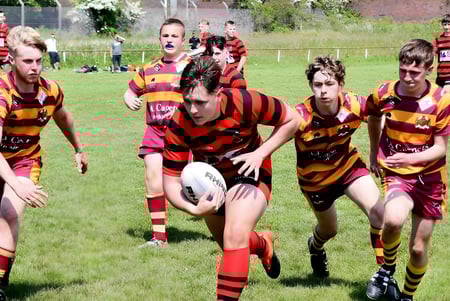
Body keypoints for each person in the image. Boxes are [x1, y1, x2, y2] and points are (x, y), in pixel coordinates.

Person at [163, 56, 300, 300]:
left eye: (200, 102)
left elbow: (292, 119)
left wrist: (260, 153)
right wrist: (192, 210)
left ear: (218, 93)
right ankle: (261, 244)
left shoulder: (245, 102)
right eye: (187, 101)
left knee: (234, 234)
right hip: (211, 183)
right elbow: (170, 183)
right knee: (231, 245)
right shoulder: (179, 122)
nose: (192, 109)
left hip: (249, 174)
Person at [0, 26, 88, 300]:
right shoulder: (3, 93)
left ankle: (0, 284)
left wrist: (78, 148)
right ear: (12, 60)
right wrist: (14, 184)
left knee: (10, 213)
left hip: (25, 159)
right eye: (28, 61)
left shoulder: (50, 90)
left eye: (39, 60)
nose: (35, 67)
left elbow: (63, 116)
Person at [366, 39, 450, 301]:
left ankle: (407, 296)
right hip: (397, 174)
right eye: (403, 70)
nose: (407, 77)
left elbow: (440, 148)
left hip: (431, 179)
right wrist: (373, 150)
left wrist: (411, 159)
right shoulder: (384, 92)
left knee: (417, 248)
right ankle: (387, 268)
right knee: (391, 220)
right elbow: (373, 115)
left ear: (429, 68)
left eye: (414, 72)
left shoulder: (441, 100)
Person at [295, 56, 385, 279]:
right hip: (315, 181)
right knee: (329, 230)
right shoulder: (299, 116)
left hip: (348, 168)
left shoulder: (353, 104)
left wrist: (380, 149)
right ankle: (315, 247)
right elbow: (274, 138)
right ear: (311, 86)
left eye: (329, 84)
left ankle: (385, 272)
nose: (323, 91)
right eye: (318, 85)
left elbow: (378, 115)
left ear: (340, 85)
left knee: (379, 215)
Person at [123, 18, 190, 248]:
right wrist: (130, 99)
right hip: (154, 131)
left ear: (183, 40)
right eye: (165, 36)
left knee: (188, 184)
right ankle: (159, 237)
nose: (169, 40)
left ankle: (217, 215)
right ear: (159, 39)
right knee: (153, 179)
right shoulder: (149, 69)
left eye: (174, 36)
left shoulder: (192, 67)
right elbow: (130, 91)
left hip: (183, 135)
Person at [432, 14, 450, 91]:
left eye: (449, 24)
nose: (446, 27)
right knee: (438, 97)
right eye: (445, 24)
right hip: (440, 73)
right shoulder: (438, 38)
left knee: (446, 95)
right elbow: (432, 53)